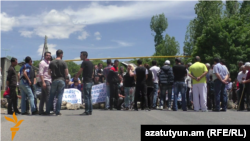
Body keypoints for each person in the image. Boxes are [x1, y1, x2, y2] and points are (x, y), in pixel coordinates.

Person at [46, 50, 68, 116]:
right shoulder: (63, 63)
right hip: (61, 80)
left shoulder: (52, 62)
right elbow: (66, 73)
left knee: (51, 96)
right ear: (61, 54)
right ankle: (57, 111)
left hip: (54, 80)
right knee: (59, 96)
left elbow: (49, 73)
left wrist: (54, 74)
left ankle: (48, 111)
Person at [75, 51, 93, 115]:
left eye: (81, 55)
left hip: (86, 81)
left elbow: (80, 70)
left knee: (86, 97)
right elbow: (92, 73)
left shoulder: (84, 62)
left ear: (85, 56)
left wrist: (76, 77)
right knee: (89, 97)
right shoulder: (91, 63)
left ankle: (87, 111)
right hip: (90, 81)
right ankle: (90, 110)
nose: (80, 56)